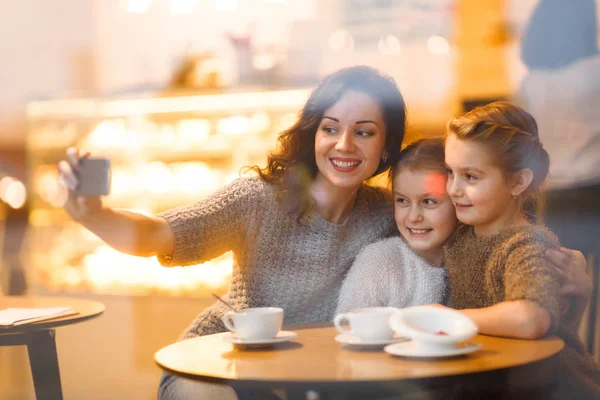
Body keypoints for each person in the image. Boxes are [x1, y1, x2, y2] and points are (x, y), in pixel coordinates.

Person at [59, 65, 407, 400]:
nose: (344, 144)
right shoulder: (258, 199)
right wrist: (95, 215)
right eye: (330, 129)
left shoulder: (388, 213)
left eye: (364, 132)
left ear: (386, 148)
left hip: (306, 380)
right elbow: (156, 235)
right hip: (214, 366)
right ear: (313, 134)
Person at [441, 101, 600, 399]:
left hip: (553, 388)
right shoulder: (461, 236)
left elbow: (531, 319)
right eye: (450, 172)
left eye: (471, 177)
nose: (454, 189)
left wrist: (449, 318)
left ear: (518, 181)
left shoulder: (526, 245)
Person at [518, 0, 600, 353]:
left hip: (553, 196)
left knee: (563, 283)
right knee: (592, 293)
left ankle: (566, 357)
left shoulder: (531, 84)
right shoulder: (595, 73)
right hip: (595, 187)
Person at [337, 138, 452, 313]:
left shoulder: (470, 259)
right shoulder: (378, 262)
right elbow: (349, 328)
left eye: (429, 201)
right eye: (402, 201)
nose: (413, 217)